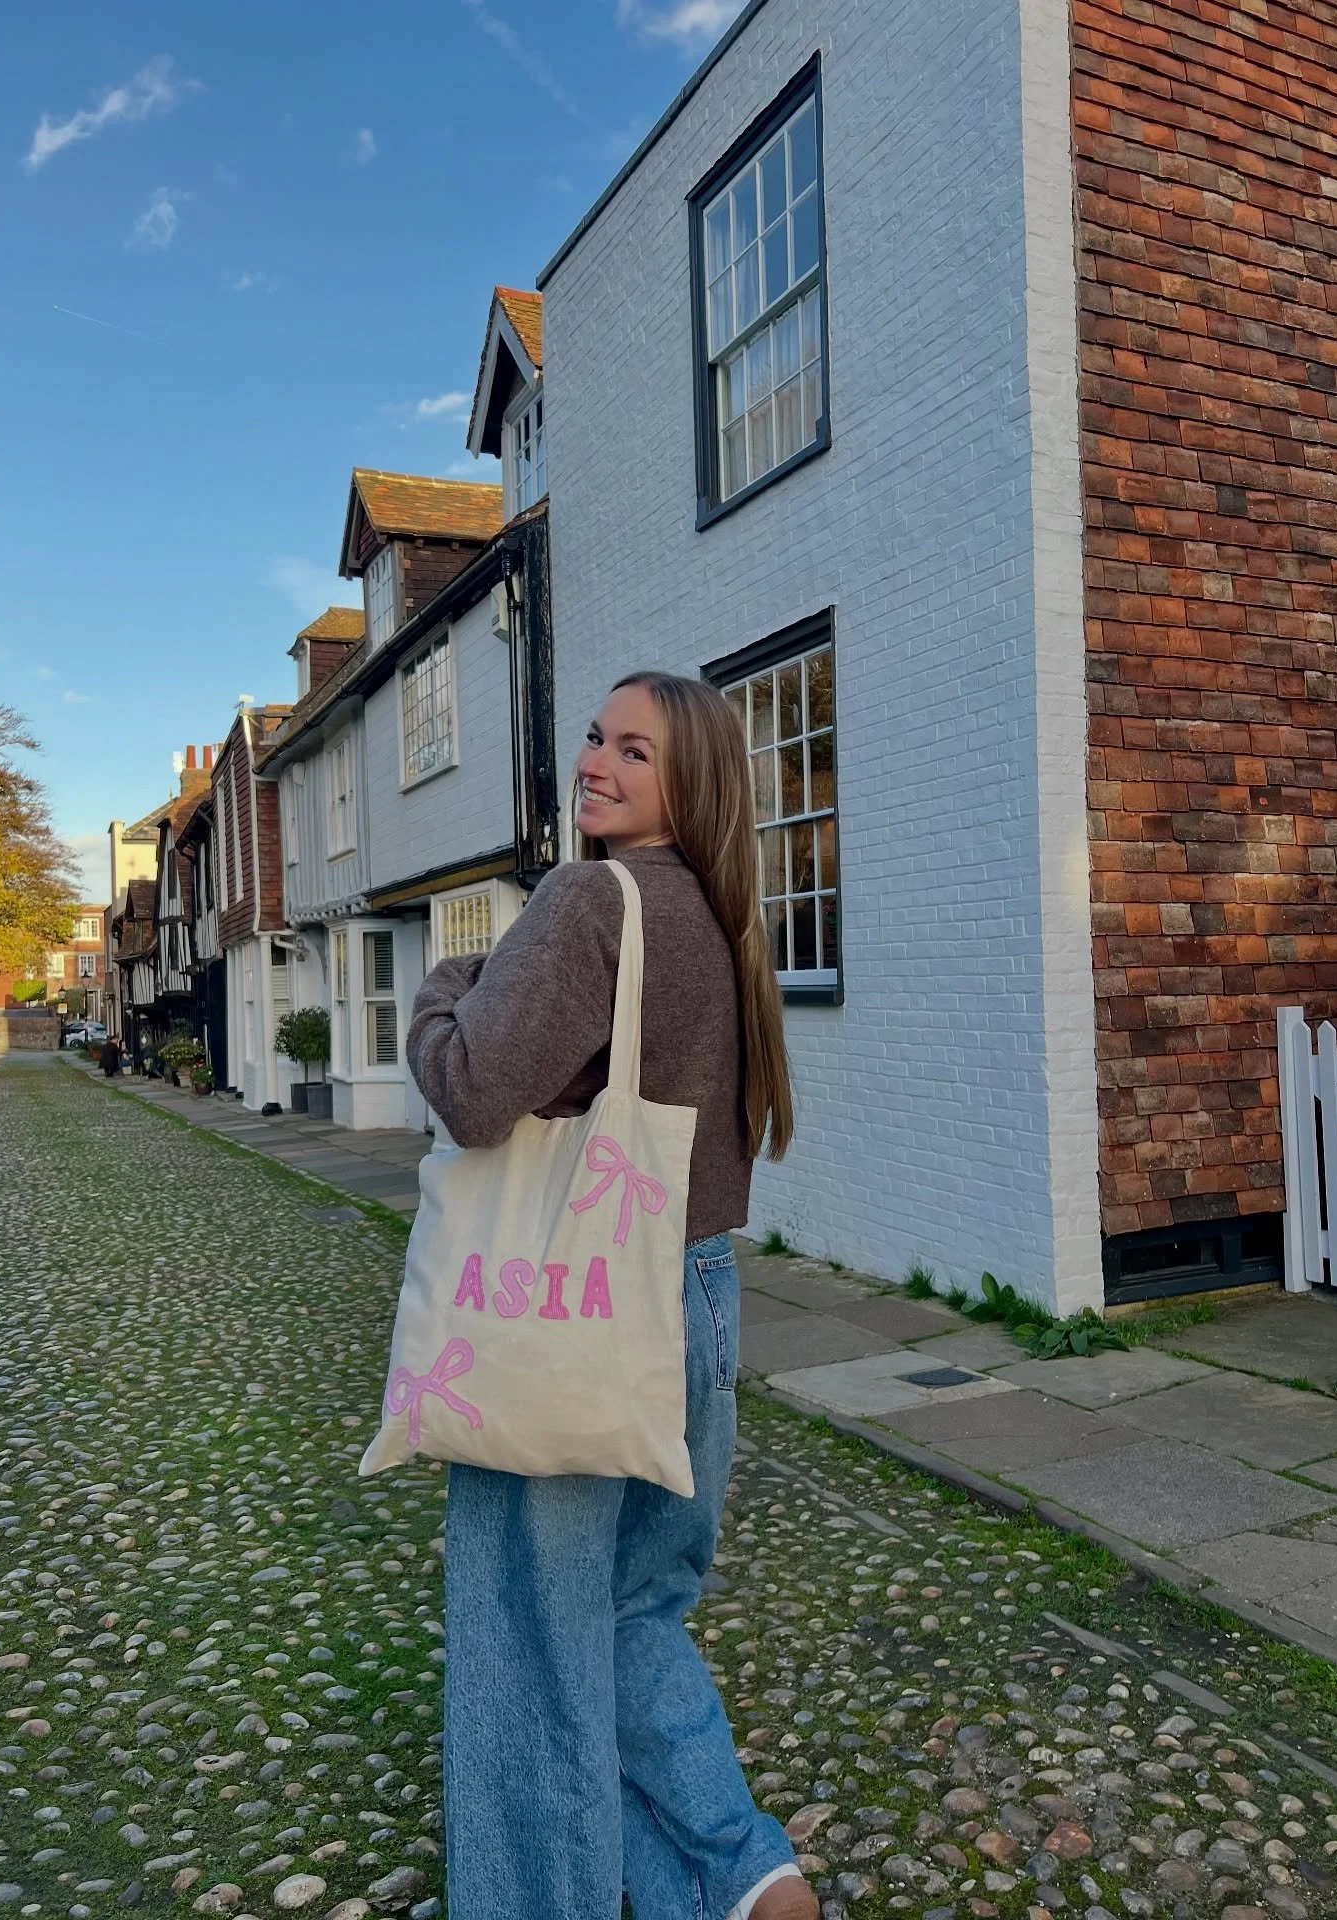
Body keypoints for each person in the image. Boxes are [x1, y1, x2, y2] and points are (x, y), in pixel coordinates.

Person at [406, 673, 816, 1920]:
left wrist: (443, 990)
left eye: (634, 750)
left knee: (532, 1641)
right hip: (695, 1297)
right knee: (637, 1612)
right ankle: (745, 1878)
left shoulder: (592, 898)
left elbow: (475, 1093)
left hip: (572, 1310)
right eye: (593, 736)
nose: (596, 762)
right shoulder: (719, 918)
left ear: (688, 780)